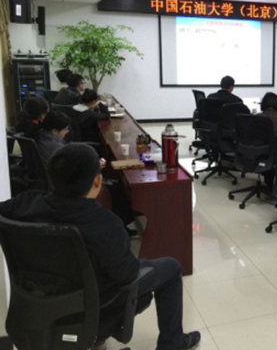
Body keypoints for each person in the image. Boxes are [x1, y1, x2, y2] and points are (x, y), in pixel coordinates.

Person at [0, 144, 200, 350]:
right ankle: (172, 344)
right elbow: (127, 276)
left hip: (38, 302)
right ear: (97, 181)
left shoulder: (25, 202)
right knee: (171, 267)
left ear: (53, 179)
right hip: (96, 307)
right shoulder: (105, 224)